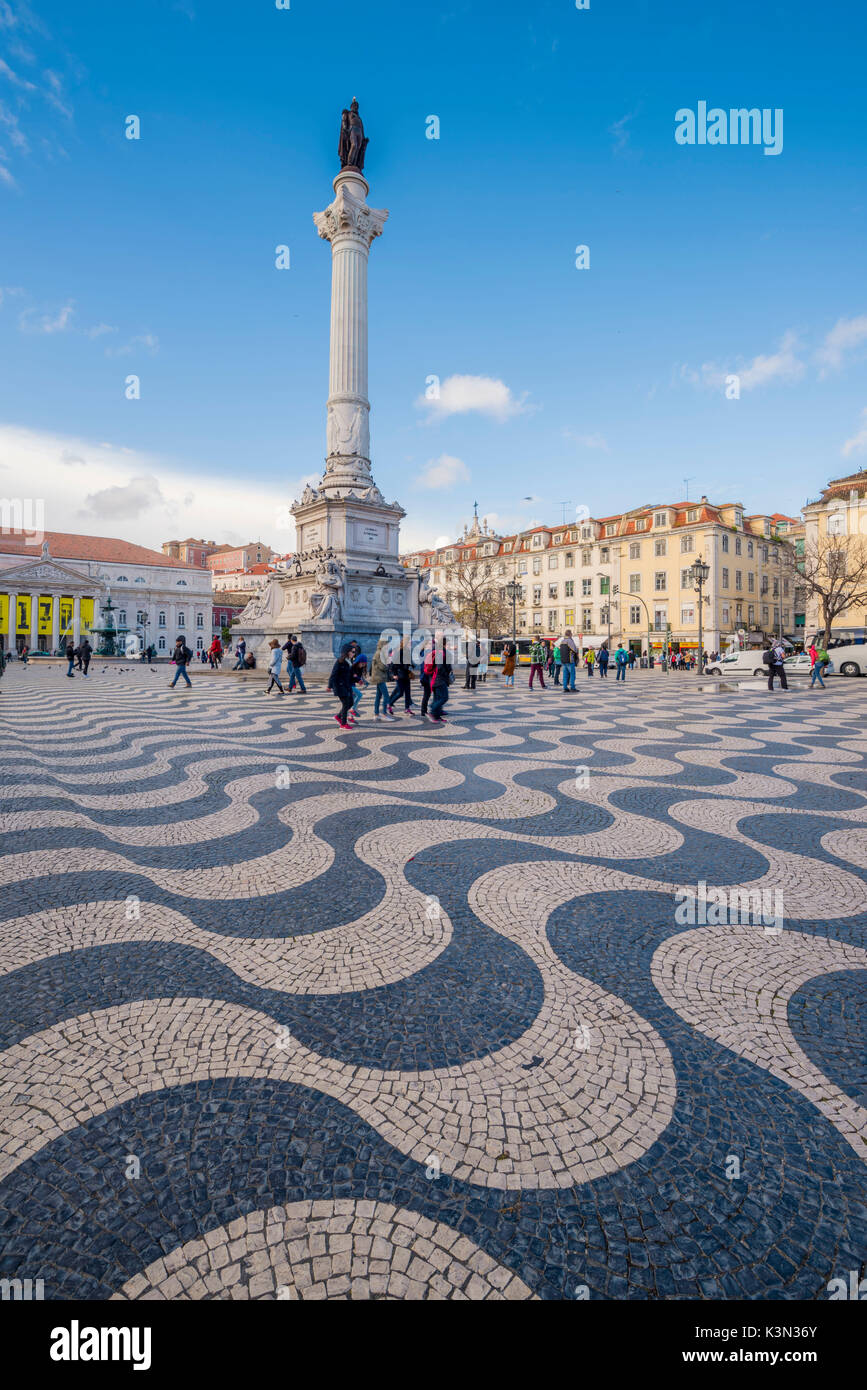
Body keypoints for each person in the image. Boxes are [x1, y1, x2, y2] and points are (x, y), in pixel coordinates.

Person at [328, 648, 354, 729]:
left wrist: (357, 680)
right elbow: (333, 674)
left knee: (351, 702)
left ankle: (339, 716)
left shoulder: (349, 662)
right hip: (339, 685)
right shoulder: (340, 661)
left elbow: (349, 676)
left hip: (347, 685)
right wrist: (329, 686)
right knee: (346, 703)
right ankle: (343, 724)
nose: (354, 653)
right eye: (352, 651)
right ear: (347, 652)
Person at [371, 638, 396, 720]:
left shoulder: (379, 653)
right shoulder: (380, 654)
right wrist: (388, 664)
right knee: (386, 696)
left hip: (379, 677)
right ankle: (384, 714)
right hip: (380, 677)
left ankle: (376, 714)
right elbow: (382, 667)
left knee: (378, 696)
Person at [428, 645, 452, 723]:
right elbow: (440, 667)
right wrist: (446, 673)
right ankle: (432, 711)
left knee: (438, 698)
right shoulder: (441, 653)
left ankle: (437, 716)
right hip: (439, 680)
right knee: (444, 697)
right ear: (445, 644)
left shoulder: (438, 651)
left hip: (435, 679)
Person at [348, 652, 368, 721]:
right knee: (359, 695)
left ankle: (350, 717)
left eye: (364, 665)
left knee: (352, 701)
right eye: (362, 664)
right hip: (348, 685)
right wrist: (357, 679)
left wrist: (359, 680)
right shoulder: (352, 668)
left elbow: (356, 678)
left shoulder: (360, 669)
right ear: (358, 662)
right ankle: (352, 709)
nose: (363, 666)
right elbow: (350, 677)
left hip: (352, 684)